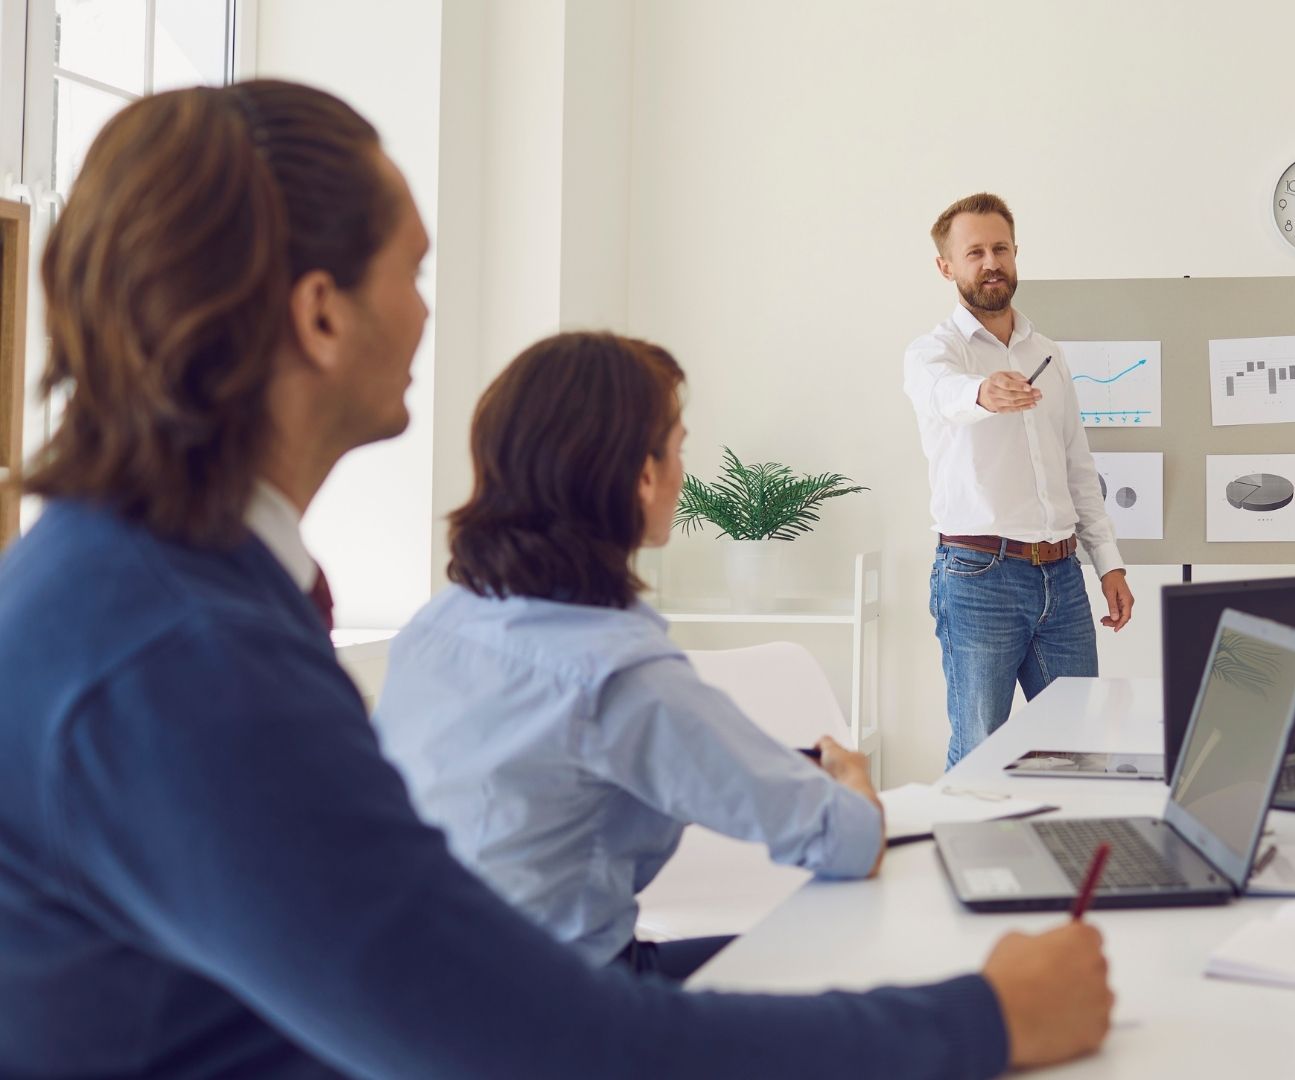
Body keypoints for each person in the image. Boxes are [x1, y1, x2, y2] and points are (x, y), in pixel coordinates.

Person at [0, 80, 1112, 1078]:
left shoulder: (158, 589)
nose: (429, 310)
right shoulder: (173, 657)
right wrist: (984, 1022)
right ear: (321, 312)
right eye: (415, 270)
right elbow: (513, 1037)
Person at [373, 331, 884, 978]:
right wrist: (854, 777)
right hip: (563, 1002)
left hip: (417, 983)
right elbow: (850, 841)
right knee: (857, 959)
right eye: (679, 449)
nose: (682, 472)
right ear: (644, 476)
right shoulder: (619, 676)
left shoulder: (438, 625)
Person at [904, 192, 1135, 767]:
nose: (991, 263)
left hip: (1063, 576)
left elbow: (1078, 466)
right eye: (975, 252)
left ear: (1015, 253)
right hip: (978, 578)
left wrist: (1109, 563)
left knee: (1080, 749)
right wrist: (983, 392)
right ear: (946, 267)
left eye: (1001, 249)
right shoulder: (933, 353)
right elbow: (944, 395)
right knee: (981, 753)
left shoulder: (1048, 353)